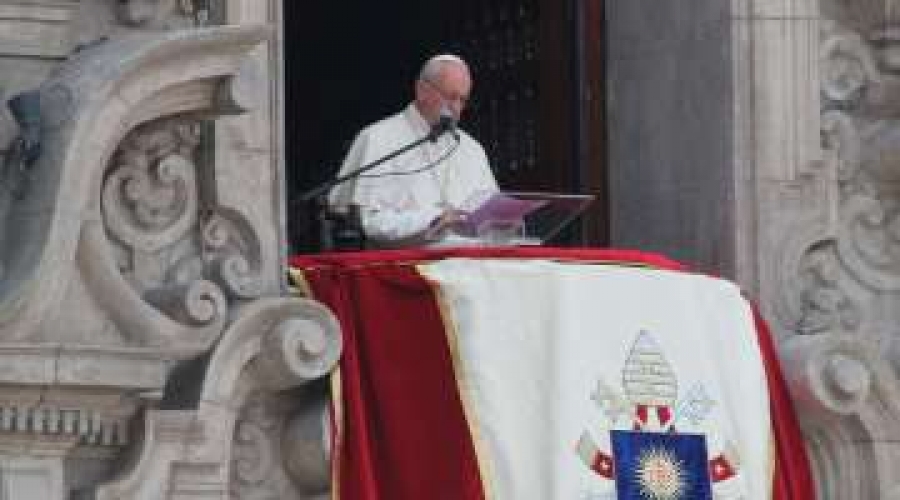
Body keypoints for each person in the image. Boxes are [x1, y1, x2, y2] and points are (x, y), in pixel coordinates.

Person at [328, 54, 499, 248]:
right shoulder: (378, 138)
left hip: (471, 264)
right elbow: (370, 222)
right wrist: (433, 220)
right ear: (422, 90)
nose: (456, 108)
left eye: (463, 100)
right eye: (451, 97)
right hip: (405, 266)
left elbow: (491, 214)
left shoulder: (472, 149)